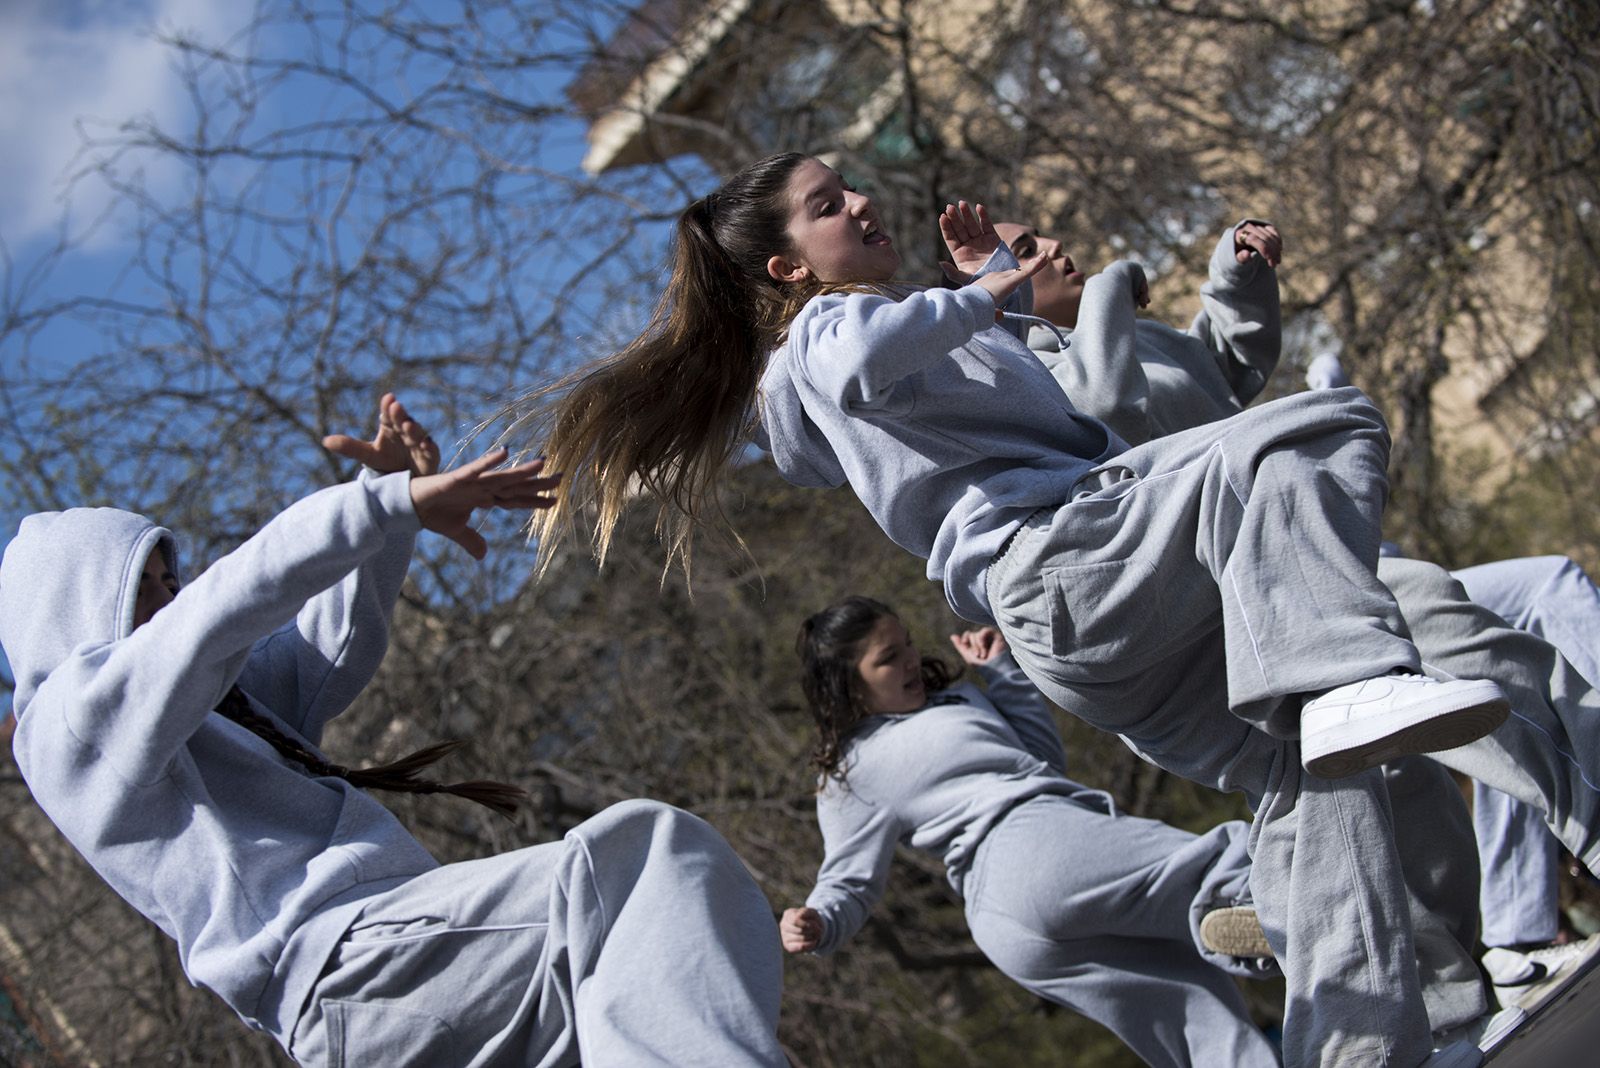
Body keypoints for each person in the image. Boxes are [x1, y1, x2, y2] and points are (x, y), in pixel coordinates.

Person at [514, 151, 1513, 1066]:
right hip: (1066, 560)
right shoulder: (822, 335)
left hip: (1086, 616)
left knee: (1327, 771)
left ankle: (1394, 1036)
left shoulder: (904, 346)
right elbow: (854, 358)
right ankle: (1335, 678)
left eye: (850, 186)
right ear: (787, 268)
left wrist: (1009, 297)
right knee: (1317, 428)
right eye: (828, 205)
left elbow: (1074, 408)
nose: (860, 202)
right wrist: (984, 295)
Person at [1, 394, 787, 1067]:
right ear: (77, 611)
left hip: (378, 1004)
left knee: (655, 993)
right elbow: (224, 610)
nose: (171, 601)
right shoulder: (72, 728)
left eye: (172, 581)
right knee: (647, 861)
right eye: (147, 590)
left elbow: (326, 652)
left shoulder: (214, 714)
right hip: (360, 965)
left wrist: (391, 503)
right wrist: (381, 506)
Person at [998, 216, 1600, 1019]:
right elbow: (1103, 409)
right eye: (1024, 254)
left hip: (1315, 568)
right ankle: (1450, 1004)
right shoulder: (1032, 376)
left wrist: (1237, 277)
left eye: (1042, 235)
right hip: (1233, 614)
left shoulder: (1141, 337)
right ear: (996, 296)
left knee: (1476, 659)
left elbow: (1229, 367)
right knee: (1398, 784)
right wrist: (1111, 286)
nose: (1051, 250)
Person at [780, 595, 1280, 1068]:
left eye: (907, 642)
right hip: (1029, 846)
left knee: (1194, 1010)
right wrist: (819, 921)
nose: (912, 659)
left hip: (1009, 925)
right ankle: (1287, 910)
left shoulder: (955, 698)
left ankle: (1253, 935)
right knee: (1221, 862)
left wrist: (1001, 673)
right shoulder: (850, 772)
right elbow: (849, 879)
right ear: (850, 686)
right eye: (889, 658)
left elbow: (1042, 760)